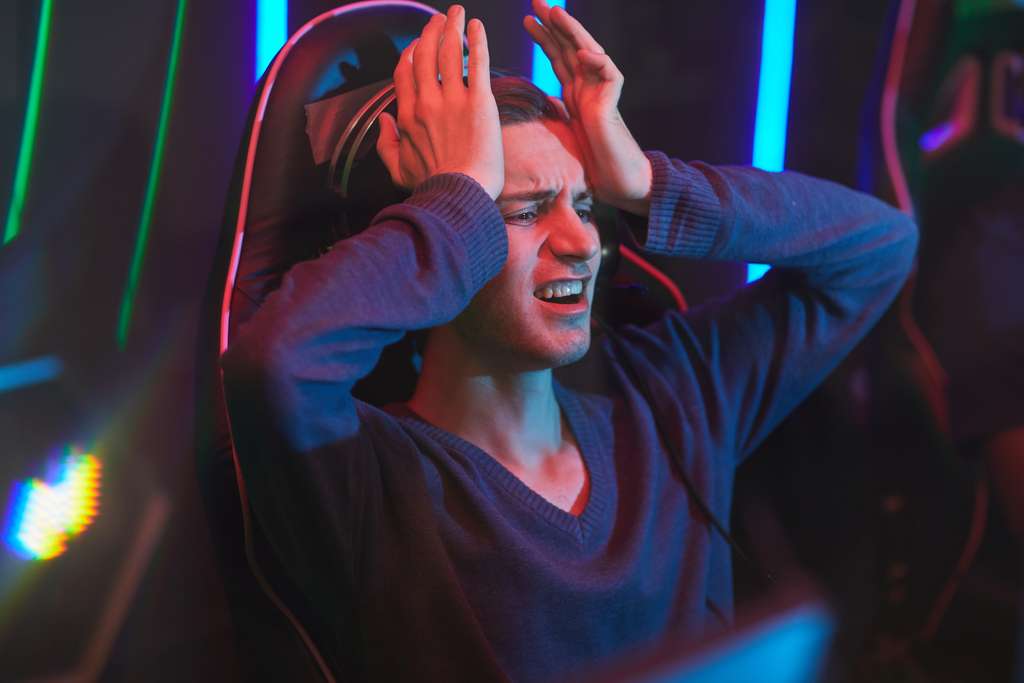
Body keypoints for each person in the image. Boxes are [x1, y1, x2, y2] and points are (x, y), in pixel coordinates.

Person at [220, 2, 918, 680]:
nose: (583, 242)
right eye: (525, 211)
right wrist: (459, 197)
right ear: (441, 232)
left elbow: (879, 247)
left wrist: (646, 183)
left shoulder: (672, 393)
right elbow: (279, 364)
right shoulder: (367, 477)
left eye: (586, 206)